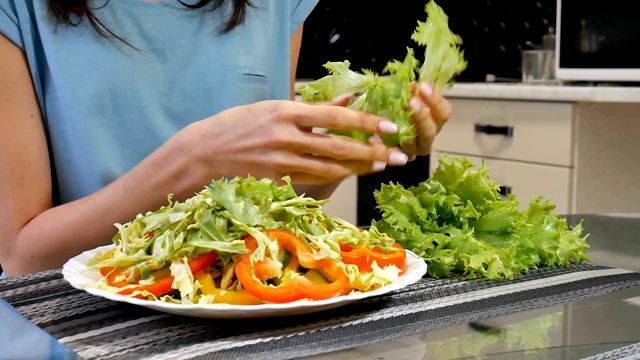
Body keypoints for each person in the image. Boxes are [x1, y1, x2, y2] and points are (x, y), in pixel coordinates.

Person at [0, 0, 452, 277]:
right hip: (87, 325)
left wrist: (345, 147)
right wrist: (194, 160)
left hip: (243, 306)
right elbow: (23, 256)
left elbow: (274, 193)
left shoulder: (275, 4)